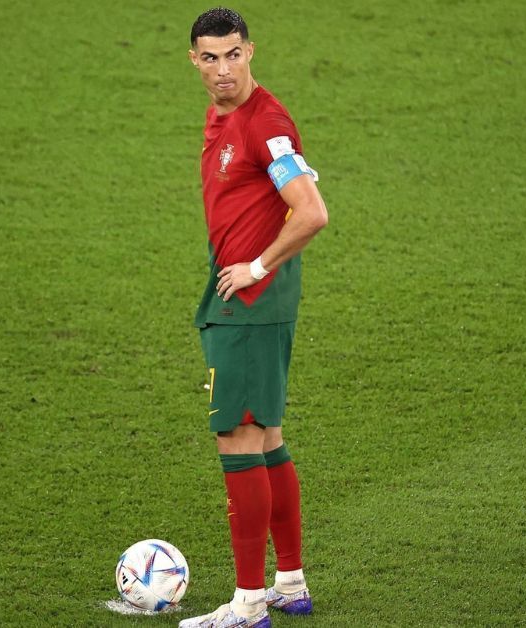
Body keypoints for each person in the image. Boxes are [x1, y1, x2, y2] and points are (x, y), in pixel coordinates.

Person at [179, 8, 328, 628]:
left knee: (236, 438)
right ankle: (289, 583)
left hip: (249, 303)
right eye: (210, 58)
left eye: (233, 54)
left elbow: (312, 211)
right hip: (251, 303)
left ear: (251, 52)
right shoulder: (226, 115)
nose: (222, 69)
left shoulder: (265, 124)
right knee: (265, 437)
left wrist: (256, 268)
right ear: (194, 60)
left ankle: (245, 604)